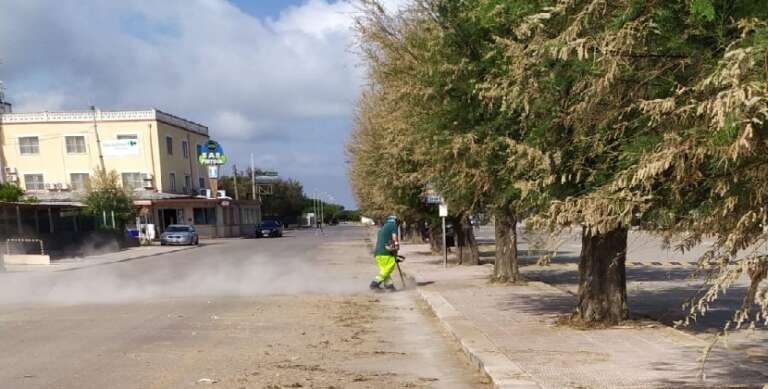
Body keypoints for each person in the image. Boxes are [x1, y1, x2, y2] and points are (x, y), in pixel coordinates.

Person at [370, 215, 401, 292]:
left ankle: (389, 286)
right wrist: (397, 246)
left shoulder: (384, 227)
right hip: (385, 253)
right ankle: (375, 283)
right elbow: (394, 237)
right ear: (395, 220)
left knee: (385, 270)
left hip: (378, 253)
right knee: (389, 267)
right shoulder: (393, 225)